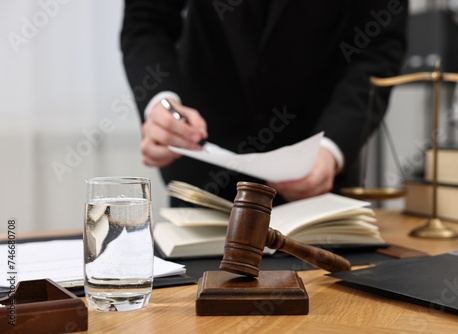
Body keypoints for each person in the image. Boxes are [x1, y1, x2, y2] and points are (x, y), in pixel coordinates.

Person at [120, 0, 408, 206]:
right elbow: (147, 20)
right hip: (202, 173)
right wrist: (162, 102)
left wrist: (330, 150)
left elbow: (378, 47)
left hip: (316, 182)